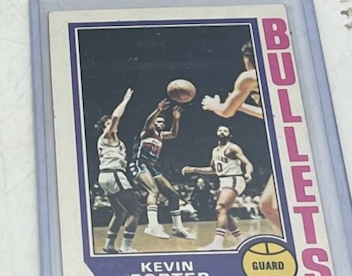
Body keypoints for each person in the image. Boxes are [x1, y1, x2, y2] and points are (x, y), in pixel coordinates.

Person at [201, 43, 281, 231]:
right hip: (295, 140)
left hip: (293, 145)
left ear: (247, 58)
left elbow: (226, 112)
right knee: (268, 206)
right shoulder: (277, 76)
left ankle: (300, 240)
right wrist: (242, 107)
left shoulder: (249, 76)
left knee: (271, 206)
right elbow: (272, 115)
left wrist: (213, 105)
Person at [130, 99, 193, 240]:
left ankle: (177, 228)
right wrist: (158, 110)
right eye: (158, 122)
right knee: (153, 191)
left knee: (173, 194)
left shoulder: (161, 135)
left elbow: (173, 134)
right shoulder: (147, 132)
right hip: (139, 163)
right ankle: (152, 226)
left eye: (163, 122)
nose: (161, 124)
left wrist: (176, 119)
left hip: (151, 167)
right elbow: (148, 122)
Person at [182, 125, 253, 250]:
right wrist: (193, 169)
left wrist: (248, 173)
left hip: (234, 179)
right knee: (225, 212)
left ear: (230, 135)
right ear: (216, 133)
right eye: (220, 130)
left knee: (220, 207)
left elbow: (248, 163)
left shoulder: (232, 148)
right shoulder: (215, 151)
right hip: (223, 181)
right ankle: (241, 242)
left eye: (225, 131)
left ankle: (217, 244)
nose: (222, 132)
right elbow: (213, 169)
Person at [94, 89, 142, 254]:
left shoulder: (116, 141)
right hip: (113, 174)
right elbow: (116, 117)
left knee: (119, 212)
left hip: (106, 175)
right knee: (135, 210)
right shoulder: (107, 136)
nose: (112, 124)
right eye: (108, 123)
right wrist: (125, 99)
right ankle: (126, 247)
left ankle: (109, 245)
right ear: (104, 127)